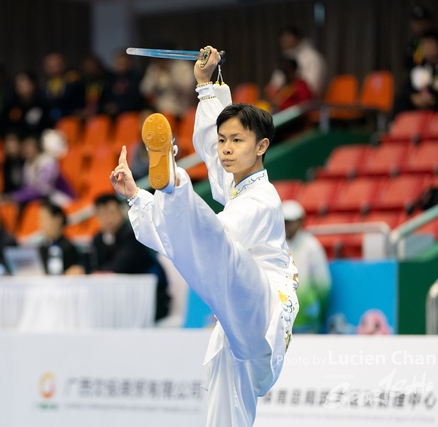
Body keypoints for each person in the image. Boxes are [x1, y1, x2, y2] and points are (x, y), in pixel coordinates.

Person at [110, 47, 298, 426]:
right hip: (236, 325)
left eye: (237, 142)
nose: (226, 150)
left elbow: (209, 243)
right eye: (224, 140)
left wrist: (169, 190)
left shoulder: (262, 199)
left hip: (264, 304)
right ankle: (169, 187)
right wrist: (206, 84)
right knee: (225, 406)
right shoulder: (235, 184)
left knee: (215, 247)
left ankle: (174, 183)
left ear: (262, 146)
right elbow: (210, 154)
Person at [89, 193, 170, 321]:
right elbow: (93, 264)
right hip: (116, 300)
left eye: (111, 212)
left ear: (122, 212)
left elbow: (120, 266)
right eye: (102, 214)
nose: (107, 218)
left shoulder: (134, 235)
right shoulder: (97, 239)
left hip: (147, 299)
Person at [282, 200, 331, 334]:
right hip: (282, 318)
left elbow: (323, 284)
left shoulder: (311, 246)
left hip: (307, 317)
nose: (287, 225)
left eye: (291, 221)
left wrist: (315, 307)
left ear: (300, 221)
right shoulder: (276, 246)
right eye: (285, 221)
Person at [392, 29, 438, 118]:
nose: (426, 48)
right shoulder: (419, 70)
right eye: (423, 45)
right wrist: (413, 97)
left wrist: (436, 99)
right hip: (420, 104)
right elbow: (407, 89)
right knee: (401, 101)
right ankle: (395, 128)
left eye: (430, 43)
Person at [10, 134, 75, 208]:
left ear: (38, 148)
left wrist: (16, 196)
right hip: (45, 200)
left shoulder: (48, 162)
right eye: (25, 147)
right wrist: (15, 196)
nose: (27, 150)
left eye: (30, 146)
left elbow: (44, 190)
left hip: (62, 198)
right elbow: (27, 188)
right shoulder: (27, 164)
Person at [265, 26, 327, 98]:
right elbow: (276, 82)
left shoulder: (313, 57)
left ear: (297, 38)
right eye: (283, 39)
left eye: (288, 37)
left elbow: (312, 87)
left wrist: (289, 91)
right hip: (285, 98)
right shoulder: (286, 57)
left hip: (307, 101)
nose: (285, 41)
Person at [2, 71, 53, 140]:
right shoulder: (11, 105)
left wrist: (33, 139)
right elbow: (7, 126)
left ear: (32, 84)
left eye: (23, 83)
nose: (20, 86)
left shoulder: (42, 104)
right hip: (17, 139)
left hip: (36, 139)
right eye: (18, 84)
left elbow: (47, 127)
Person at [37, 199, 82, 275]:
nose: (41, 225)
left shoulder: (69, 248)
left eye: (44, 219)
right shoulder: (41, 248)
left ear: (58, 219)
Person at [40, 52, 85, 122]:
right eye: (50, 66)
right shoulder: (43, 86)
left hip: (71, 119)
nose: (54, 68)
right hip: (49, 121)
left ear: (63, 64)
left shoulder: (74, 81)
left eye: (56, 65)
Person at [100, 51, 145, 117]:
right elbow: (104, 98)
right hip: (111, 117)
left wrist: (119, 107)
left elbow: (137, 100)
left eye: (123, 63)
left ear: (129, 63)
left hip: (132, 114)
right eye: (119, 63)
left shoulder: (137, 78)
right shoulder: (109, 79)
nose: (121, 66)